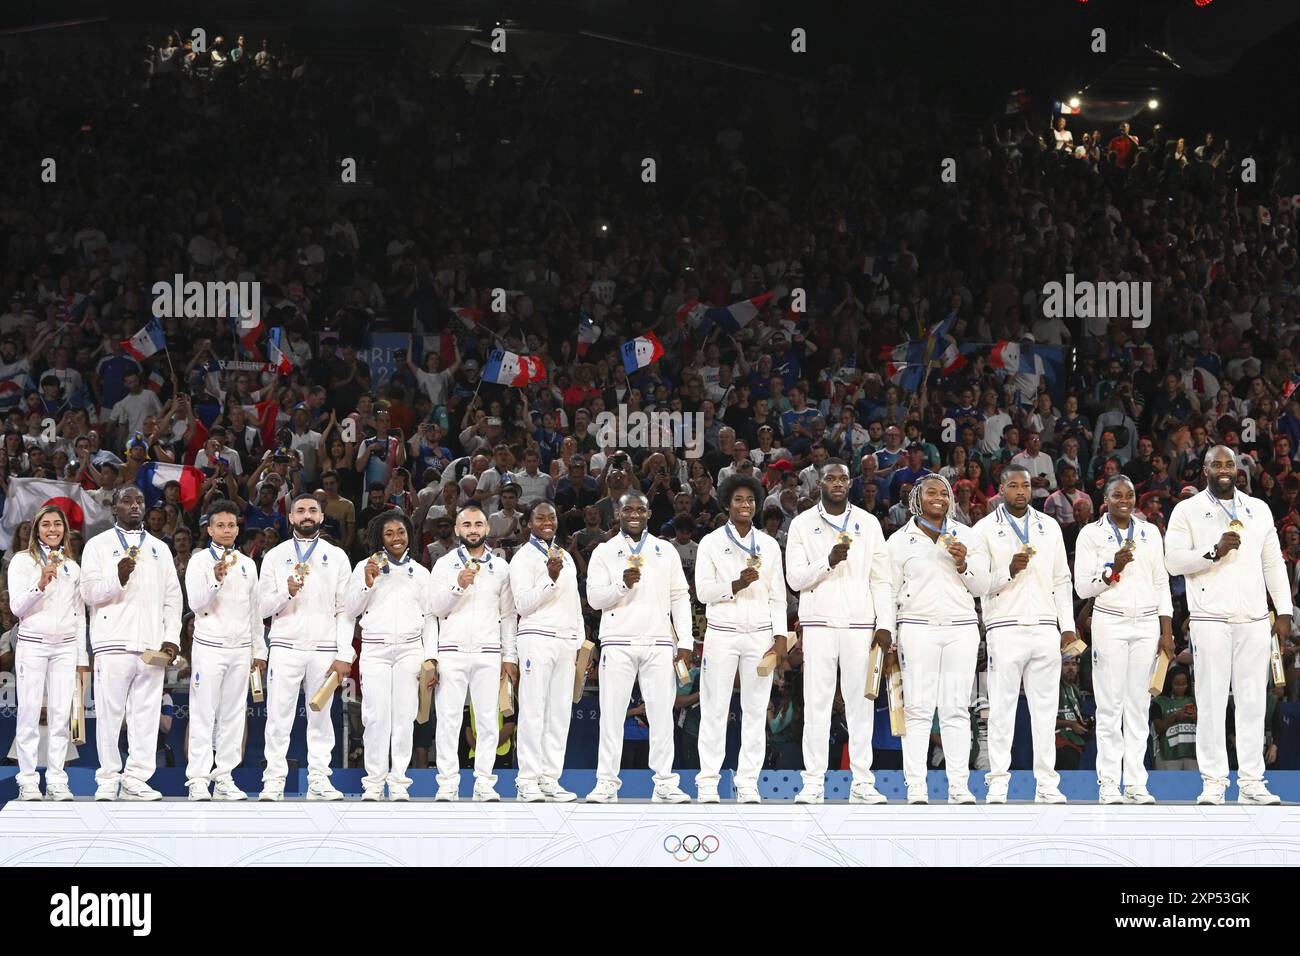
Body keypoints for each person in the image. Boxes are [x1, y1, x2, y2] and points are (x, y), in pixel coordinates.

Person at [1165, 445, 1290, 805]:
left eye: (1229, 464)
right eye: (1216, 464)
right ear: (1203, 469)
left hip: (1253, 618)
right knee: (1211, 700)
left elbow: (1272, 564)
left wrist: (1283, 611)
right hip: (1209, 618)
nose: (1224, 469)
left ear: (1237, 470)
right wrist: (1213, 552)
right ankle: (1214, 782)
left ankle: (1251, 782)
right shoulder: (1187, 511)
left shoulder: (1258, 509)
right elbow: (1173, 561)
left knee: (1252, 702)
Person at [785, 460, 894, 804]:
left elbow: (882, 578)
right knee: (816, 704)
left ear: (850, 483)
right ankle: (814, 783)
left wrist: (885, 624)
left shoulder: (869, 522)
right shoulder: (802, 524)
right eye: (830, 478)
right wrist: (828, 562)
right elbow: (795, 578)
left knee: (860, 706)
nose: (836, 483)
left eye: (842, 478)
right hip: (818, 624)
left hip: (860, 624)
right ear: (819, 483)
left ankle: (862, 783)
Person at [973, 463, 1077, 804]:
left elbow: (1062, 579)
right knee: (1001, 709)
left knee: (1047, 711)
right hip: (1005, 627)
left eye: (1026, 485)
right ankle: (998, 783)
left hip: (1046, 627)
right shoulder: (984, 529)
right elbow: (977, 582)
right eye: (1014, 485)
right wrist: (1008, 571)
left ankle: (1047, 784)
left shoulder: (1049, 526)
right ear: (1001, 490)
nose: (1021, 491)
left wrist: (1068, 626)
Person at [584, 491, 693, 803]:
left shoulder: (665, 550)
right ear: (618, 514)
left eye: (640, 509)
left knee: (661, 715)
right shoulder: (604, 552)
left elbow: (680, 597)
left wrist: (684, 641)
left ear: (648, 514)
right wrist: (622, 584)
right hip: (617, 641)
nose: (634, 514)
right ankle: (606, 783)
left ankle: (665, 783)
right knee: (612, 715)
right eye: (628, 509)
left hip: (659, 642)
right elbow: (594, 599)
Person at [887, 475, 990, 804]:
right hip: (917, 628)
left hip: (960, 628)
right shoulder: (899, 541)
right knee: (917, 710)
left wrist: (963, 564)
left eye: (943, 492)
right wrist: (889, 638)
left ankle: (958, 787)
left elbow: (982, 587)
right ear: (917, 497)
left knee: (956, 709)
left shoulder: (968, 536)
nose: (939, 497)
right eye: (931, 491)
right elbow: (887, 592)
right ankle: (916, 786)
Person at [1073, 476, 1173, 804]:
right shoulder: (1092, 533)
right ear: (1105, 499)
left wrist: (1167, 631)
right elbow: (1083, 589)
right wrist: (1111, 569)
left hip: (1146, 623)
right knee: (1110, 705)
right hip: (1110, 622)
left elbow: (1161, 582)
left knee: (1138, 705)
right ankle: (1108, 784)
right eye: (1117, 495)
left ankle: (1135, 784)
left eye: (1129, 494)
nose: (1124, 500)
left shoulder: (1149, 532)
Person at [80, 486, 183, 801]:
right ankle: (109, 779)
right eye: (127, 500)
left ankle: (136, 778)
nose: (135, 505)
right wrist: (117, 579)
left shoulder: (159, 549)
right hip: (112, 642)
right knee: (110, 715)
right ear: (114, 507)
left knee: (147, 716)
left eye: (139, 500)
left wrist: (171, 638)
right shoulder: (98, 545)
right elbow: (88, 593)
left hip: (151, 646)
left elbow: (172, 598)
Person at [694, 474, 788, 803]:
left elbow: (778, 596)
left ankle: (748, 781)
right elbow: (703, 592)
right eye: (738, 499)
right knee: (715, 708)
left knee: (756, 709)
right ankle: (707, 781)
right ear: (727, 503)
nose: (744, 505)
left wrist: (779, 637)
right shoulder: (710, 543)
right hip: (722, 632)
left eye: (749, 499)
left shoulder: (769, 545)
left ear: (757, 503)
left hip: (760, 636)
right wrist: (734, 585)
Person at [257, 493, 354, 802]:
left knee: (321, 717)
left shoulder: (337, 556)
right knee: (278, 716)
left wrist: (343, 653)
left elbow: (345, 610)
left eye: (313, 510)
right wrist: (285, 592)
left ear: (322, 517)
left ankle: (319, 780)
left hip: (325, 648)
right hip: (285, 645)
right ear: (290, 518)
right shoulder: (274, 556)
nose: (307, 515)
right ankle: (273, 780)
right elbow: (261, 608)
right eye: (300, 511)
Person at [346, 511, 438, 801]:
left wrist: (432, 658)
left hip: (411, 649)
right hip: (375, 649)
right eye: (389, 533)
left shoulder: (421, 573)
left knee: (404, 716)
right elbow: (350, 609)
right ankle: (374, 782)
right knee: (375, 717)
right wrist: (367, 582)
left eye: (401, 532)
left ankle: (398, 781)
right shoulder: (365, 566)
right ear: (379, 538)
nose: (396, 538)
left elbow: (430, 618)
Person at [428, 503, 517, 802]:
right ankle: (448, 783)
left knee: (489, 720)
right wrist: (457, 586)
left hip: (489, 652)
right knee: (449, 720)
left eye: (478, 524)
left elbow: (508, 615)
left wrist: (510, 656)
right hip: (451, 651)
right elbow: (435, 609)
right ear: (457, 529)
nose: (473, 530)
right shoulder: (444, 565)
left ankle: (484, 783)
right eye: (467, 525)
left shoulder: (501, 567)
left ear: (487, 528)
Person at [184, 499, 266, 801]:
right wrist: (215, 580)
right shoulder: (199, 561)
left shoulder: (246, 564)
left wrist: (260, 650)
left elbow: (255, 612)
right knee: (204, 714)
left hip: (241, 648)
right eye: (221, 525)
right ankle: (197, 779)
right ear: (209, 529)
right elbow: (195, 603)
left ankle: (224, 778)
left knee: (234, 715)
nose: (227, 530)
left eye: (232, 525)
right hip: (209, 647)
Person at [6, 505, 88, 801]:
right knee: (28, 712)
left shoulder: (72, 567)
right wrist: (40, 584)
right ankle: (28, 780)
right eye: (46, 525)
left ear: (64, 530)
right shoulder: (22, 562)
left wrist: (82, 660)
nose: (52, 530)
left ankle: (56, 780)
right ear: (37, 529)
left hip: (65, 647)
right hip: (32, 644)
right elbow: (17, 608)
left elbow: (79, 616)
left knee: (59, 713)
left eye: (57, 525)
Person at [509, 502, 584, 802]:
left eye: (551, 516)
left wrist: (578, 643)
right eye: (540, 518)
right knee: (533, 711)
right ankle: (527, 781)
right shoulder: (522, 558)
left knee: (559, 714)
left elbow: (575, 603)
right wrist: (549, 578)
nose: (547, 521)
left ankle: (550, 779)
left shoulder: (564, 555)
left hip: (565, 642)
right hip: (536, 639)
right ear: (529, 524)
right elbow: (522, 605)